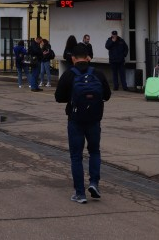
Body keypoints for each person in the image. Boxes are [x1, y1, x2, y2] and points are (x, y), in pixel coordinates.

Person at [54, 43, 112, 204]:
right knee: (94, 152)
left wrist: (73, 98)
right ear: (88, 57)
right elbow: (107, 95)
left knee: (76, 156)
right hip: (94, 120)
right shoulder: (98, 74)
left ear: (73, 58)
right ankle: (94, 183)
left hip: (75, 120)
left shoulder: (68, 75)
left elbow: (58, 97)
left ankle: (80, 193)